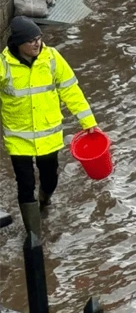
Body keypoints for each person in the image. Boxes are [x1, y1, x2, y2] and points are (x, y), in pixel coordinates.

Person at [0, 17, 99, 236]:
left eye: (39, 38)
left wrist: (89, 122)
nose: (37, 44)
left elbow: (70, 91)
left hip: (48, 137)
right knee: (25, 185)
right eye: (30, 41)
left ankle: (44, 201)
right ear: (17, 43)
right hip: (19, 140)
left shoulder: (52, 57)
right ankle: (34, 236)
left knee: (50, 178)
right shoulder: (4, 65)